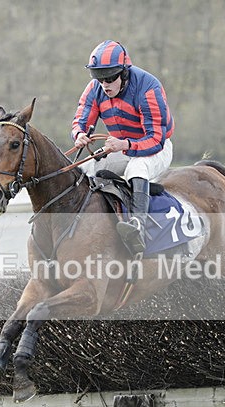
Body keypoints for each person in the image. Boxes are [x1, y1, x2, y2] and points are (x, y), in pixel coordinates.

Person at [71, 40, 174, 255]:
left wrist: (125, 144)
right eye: (99, 78)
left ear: (124, 73)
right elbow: (82, 116)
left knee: (137, 168)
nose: (104, 85)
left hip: (156, 148)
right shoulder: (96, 89)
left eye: (109, 78)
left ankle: (137, 225)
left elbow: (156, 139)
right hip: (120, 147)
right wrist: (79, 134)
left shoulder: (148, 88)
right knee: (86, 170)